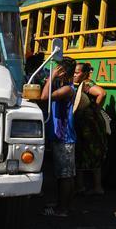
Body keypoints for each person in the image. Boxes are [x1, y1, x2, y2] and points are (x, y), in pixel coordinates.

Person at [41, 56, 77, 217]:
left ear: (63, 72)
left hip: (65, 137)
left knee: (65, 175)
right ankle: (61, 204)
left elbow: (43, 97)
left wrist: (52, 77)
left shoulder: (68, 89)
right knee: (61, 174)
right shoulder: (63, 87)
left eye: (58, 69)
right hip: (60, 136)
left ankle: (63, 209)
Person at [72, 63, 108, 196]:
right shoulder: (83, 83)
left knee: (82, 153)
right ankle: (95, 187)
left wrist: (95, 110)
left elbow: (102, 93)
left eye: (77, 73)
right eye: (74, 73)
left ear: (85, 74)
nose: (75, 75)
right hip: (88, 125)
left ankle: (82, 186)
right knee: (90, 155)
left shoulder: (87, 84)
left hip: (89, 126)